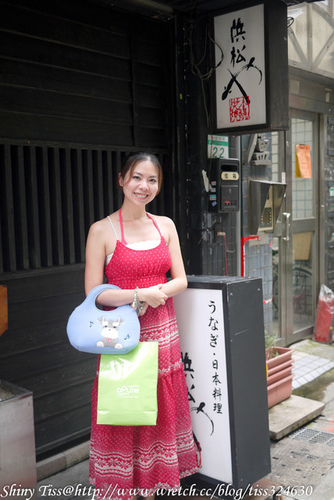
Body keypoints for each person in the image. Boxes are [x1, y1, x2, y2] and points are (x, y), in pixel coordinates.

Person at [85, 152, 197, 499]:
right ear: (121, 179)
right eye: (137, 177)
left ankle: (150, 490)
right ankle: (123, 488)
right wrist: (139, 294)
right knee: (126, 403)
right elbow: (95, 293)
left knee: (157, 408)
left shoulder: (165, 225)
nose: (143, 186)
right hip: (123, 336)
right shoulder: (102, 230)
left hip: (163, 333)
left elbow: (181, 280)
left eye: (152, 180)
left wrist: (155, 292)